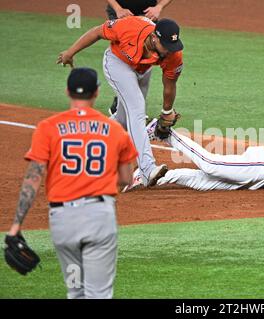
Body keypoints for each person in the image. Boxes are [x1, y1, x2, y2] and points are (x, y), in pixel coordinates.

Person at [5, 67, 139, 299]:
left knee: (76, 290)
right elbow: (127, 178)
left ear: (68, 91)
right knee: (99, 294)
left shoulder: (48, 128)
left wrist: (16, 225)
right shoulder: (115, 130)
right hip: (99, 217)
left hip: (63, 222)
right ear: (96, 93)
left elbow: (33, 179)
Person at [57, 17, 184, 192]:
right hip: (117, 63)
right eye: (166, 46)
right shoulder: (129, 27)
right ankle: (147, 169)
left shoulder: (173, 55)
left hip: (142, 70)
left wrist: (166, 111)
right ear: (154, 37)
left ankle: (87, 141)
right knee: (137, 110)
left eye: (173, 47)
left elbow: (170, 85)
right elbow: (96, 32)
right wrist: (70, 52)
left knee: (125, 121)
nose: (170, 51)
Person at [105, 0, 175, 115]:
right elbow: (97, 33)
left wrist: (159, 7)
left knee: (147, 56)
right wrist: (117, 8)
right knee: (124, 58)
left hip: (148, 14)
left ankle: (130, 106)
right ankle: (126, 104)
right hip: (121, 13)